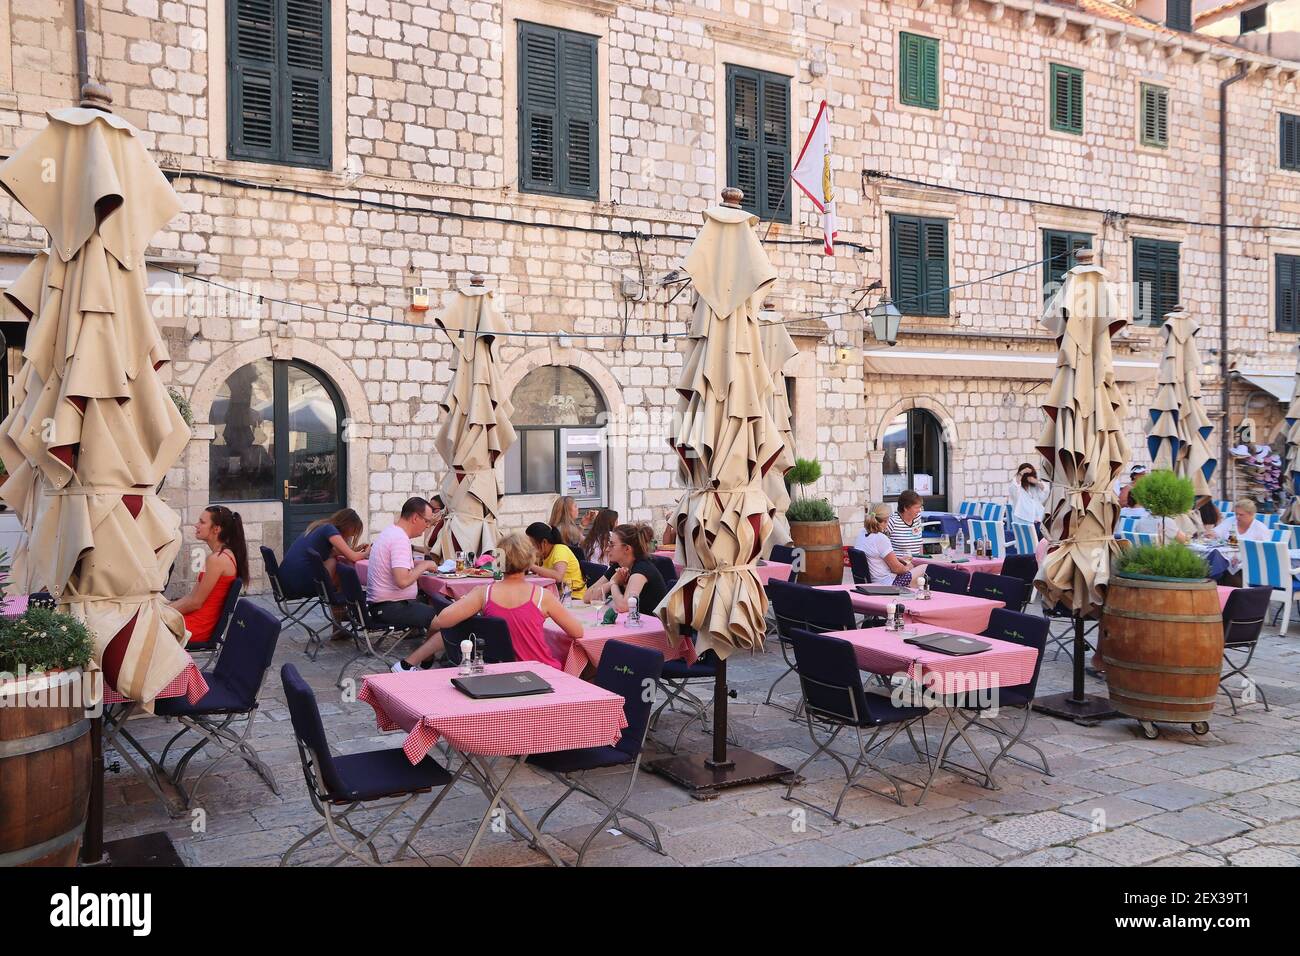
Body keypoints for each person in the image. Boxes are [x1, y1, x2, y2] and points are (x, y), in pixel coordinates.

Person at [368, 497, 445, 671]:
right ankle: (406, 665)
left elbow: (399, 569)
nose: (427, 526)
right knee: (449, 620)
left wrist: (419, 566)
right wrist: (425, 564)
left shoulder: (390, 532)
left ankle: (427, 657)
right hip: (391, 608)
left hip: (382, 605)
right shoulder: (399, 540)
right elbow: (402, 581)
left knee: (440, 613)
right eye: (427, 521)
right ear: (415, 518)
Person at [169, 505, 249, 647]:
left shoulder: (217, 560)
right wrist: (166, 609)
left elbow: (195, 603)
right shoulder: (221, 555)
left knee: (144, 628)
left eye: (202, 522)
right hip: (196, 621)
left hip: (197, 628)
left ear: (216, 529)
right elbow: (191, 597)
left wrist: (165, 613)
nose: (196, 525)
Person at [277, 507, 369, 600]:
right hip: (299, 584)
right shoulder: (329, 529)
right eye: (353, 531)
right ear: (348, 525)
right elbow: (352, 557)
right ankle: (344, 609)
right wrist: (367, 552)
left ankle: (342, 610)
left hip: (285, 582)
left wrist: (356, 550)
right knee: (344, 573)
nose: (352, 535)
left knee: (335, 562)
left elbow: (336, 552)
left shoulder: (320, 526)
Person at [585, 522, 669, 613]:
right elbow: (587, 597)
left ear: (627, 549)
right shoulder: (618, 566)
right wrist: (611, 583)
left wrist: (613, 583)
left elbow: (624, 607)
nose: (607, 549)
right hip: (633, 623)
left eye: (612, 545)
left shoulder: (642, 569)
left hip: (655, 625)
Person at [856, 503, 916, 586]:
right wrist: (909, 567)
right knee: (924, 568)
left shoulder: (861, 533)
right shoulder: (881, 538)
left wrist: (897, 560)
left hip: (869, 582)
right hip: (886, 585)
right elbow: (897, 569)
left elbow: (875, 558)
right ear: (885, 521)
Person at [525, 522, 586, 599]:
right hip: (557, 595)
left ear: (544, 542)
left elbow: (558, 576)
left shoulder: (560, 550)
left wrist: (530, 565)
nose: (531, 548)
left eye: (532, 544)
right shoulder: (543, 554)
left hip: (573, 597)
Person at [886, 490, 925, 569]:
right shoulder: (893, 521)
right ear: (906, 508)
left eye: (920, 507)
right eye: (916, 507)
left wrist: (922, 561)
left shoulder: (917, 518)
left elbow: (919, 543)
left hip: (916, 565)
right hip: (900, 567)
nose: (919, 510)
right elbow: (882, 546)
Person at [1009, 462, 1049, 527]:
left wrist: (1036, 482)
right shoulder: (1017, 488)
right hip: (1023, 521)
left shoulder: (1034, 487)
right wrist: (1022, 472)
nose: (1029, 478)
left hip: (1039, 521)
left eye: (1031, 475)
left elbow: (1046, 491)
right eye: (1027, 475)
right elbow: (1015, 485)